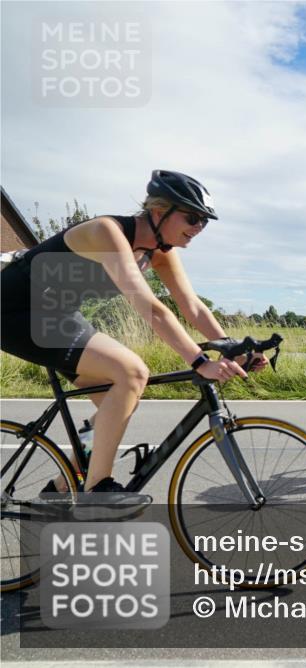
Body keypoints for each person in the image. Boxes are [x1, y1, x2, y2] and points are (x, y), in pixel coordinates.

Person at [0, 170, 263, 518]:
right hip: (16, 311)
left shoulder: (160, 252)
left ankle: (58, 492)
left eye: (204, 221)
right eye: (192, 217)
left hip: (56, 315)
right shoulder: (107, 232)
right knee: (132, 372)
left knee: (117, 404)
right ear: (159, 211)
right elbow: (151, 308)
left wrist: (234, 349)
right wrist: (200, 362)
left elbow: (192, 306)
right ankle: (97, 491)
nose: (199, 227)